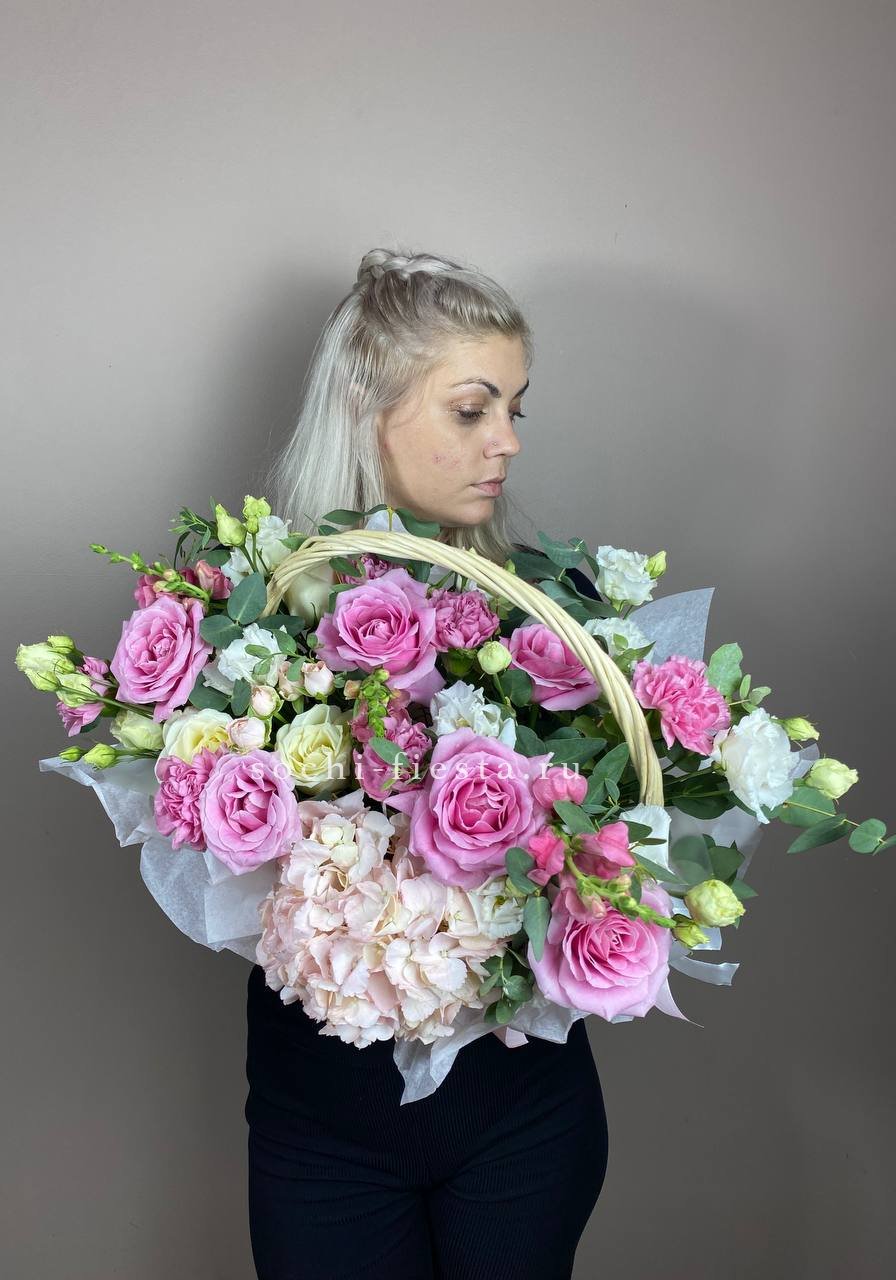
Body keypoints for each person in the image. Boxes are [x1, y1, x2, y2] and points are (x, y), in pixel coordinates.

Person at [246, 248, 608, 1280]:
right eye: (472, 409)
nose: (508, 441)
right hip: (320, 1126)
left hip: (522, 1119)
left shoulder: (557, 616)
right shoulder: (258, 626)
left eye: (515, 409)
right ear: (370, 409)